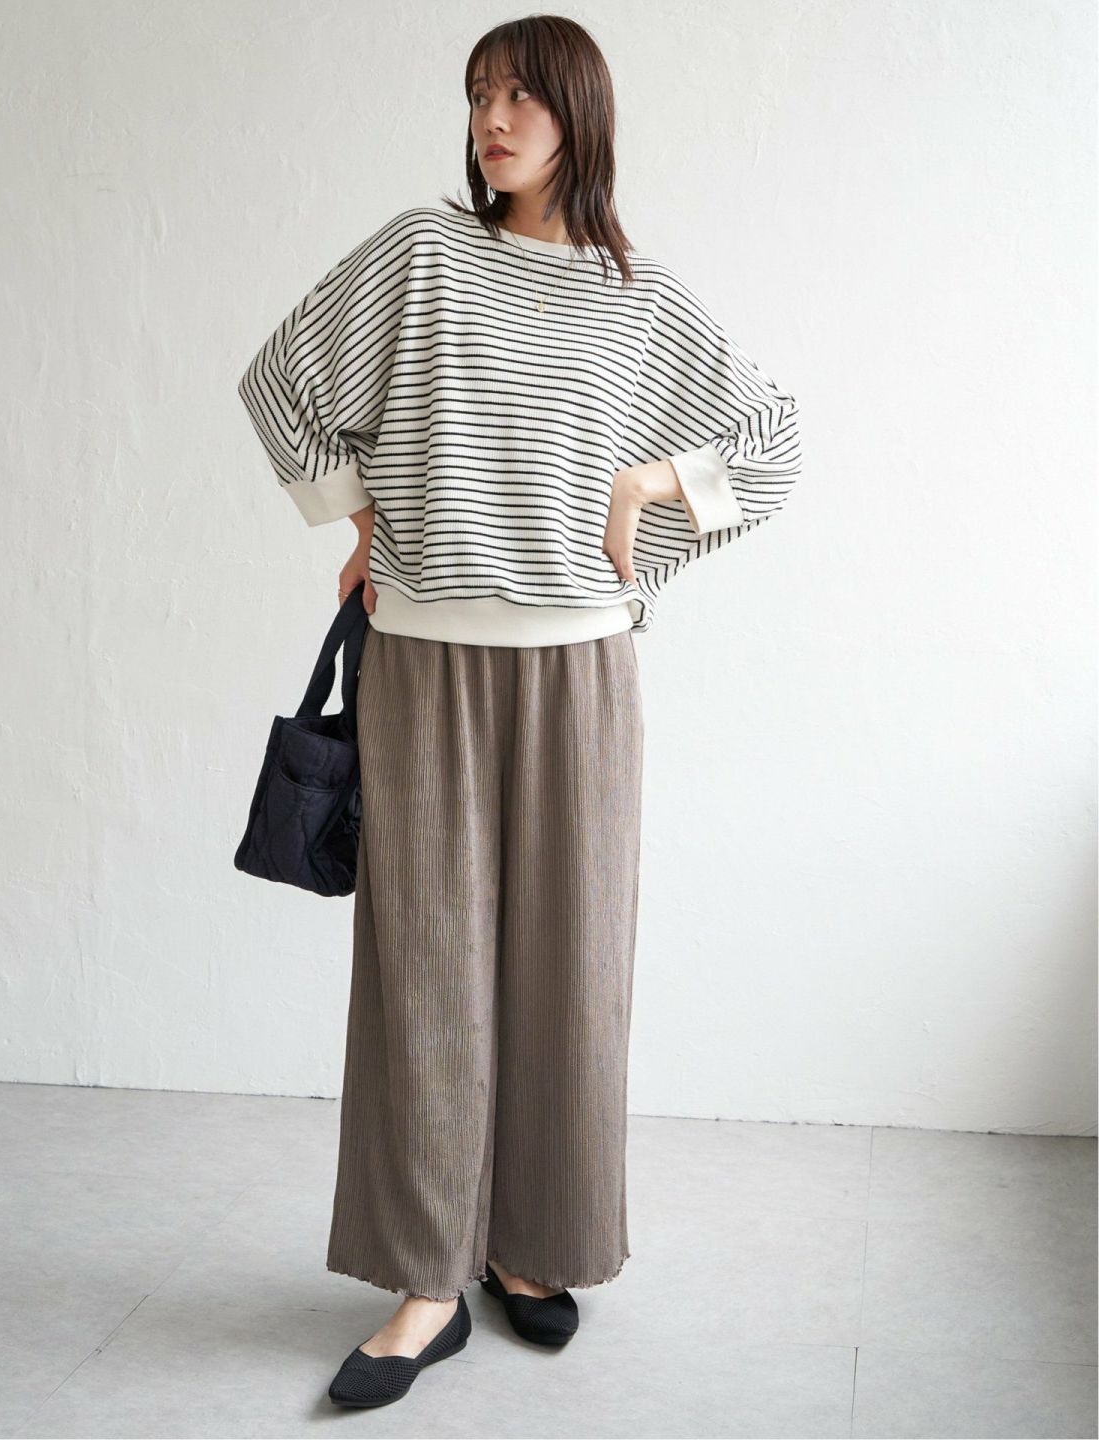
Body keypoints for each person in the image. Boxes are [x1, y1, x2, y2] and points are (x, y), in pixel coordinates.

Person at [237, 13, 802, 1409]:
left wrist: (647, 488)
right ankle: (429, 1282)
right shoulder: (423, 255)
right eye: (480, 95)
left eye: (521, 98)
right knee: (428, 970)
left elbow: (774, 441)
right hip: (424, 659)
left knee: (571, 967)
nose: (493, 121)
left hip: (582, 670)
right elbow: (280, 382)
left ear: (578, 118)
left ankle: (531, 1246)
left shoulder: (638, 299)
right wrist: (358, 517)